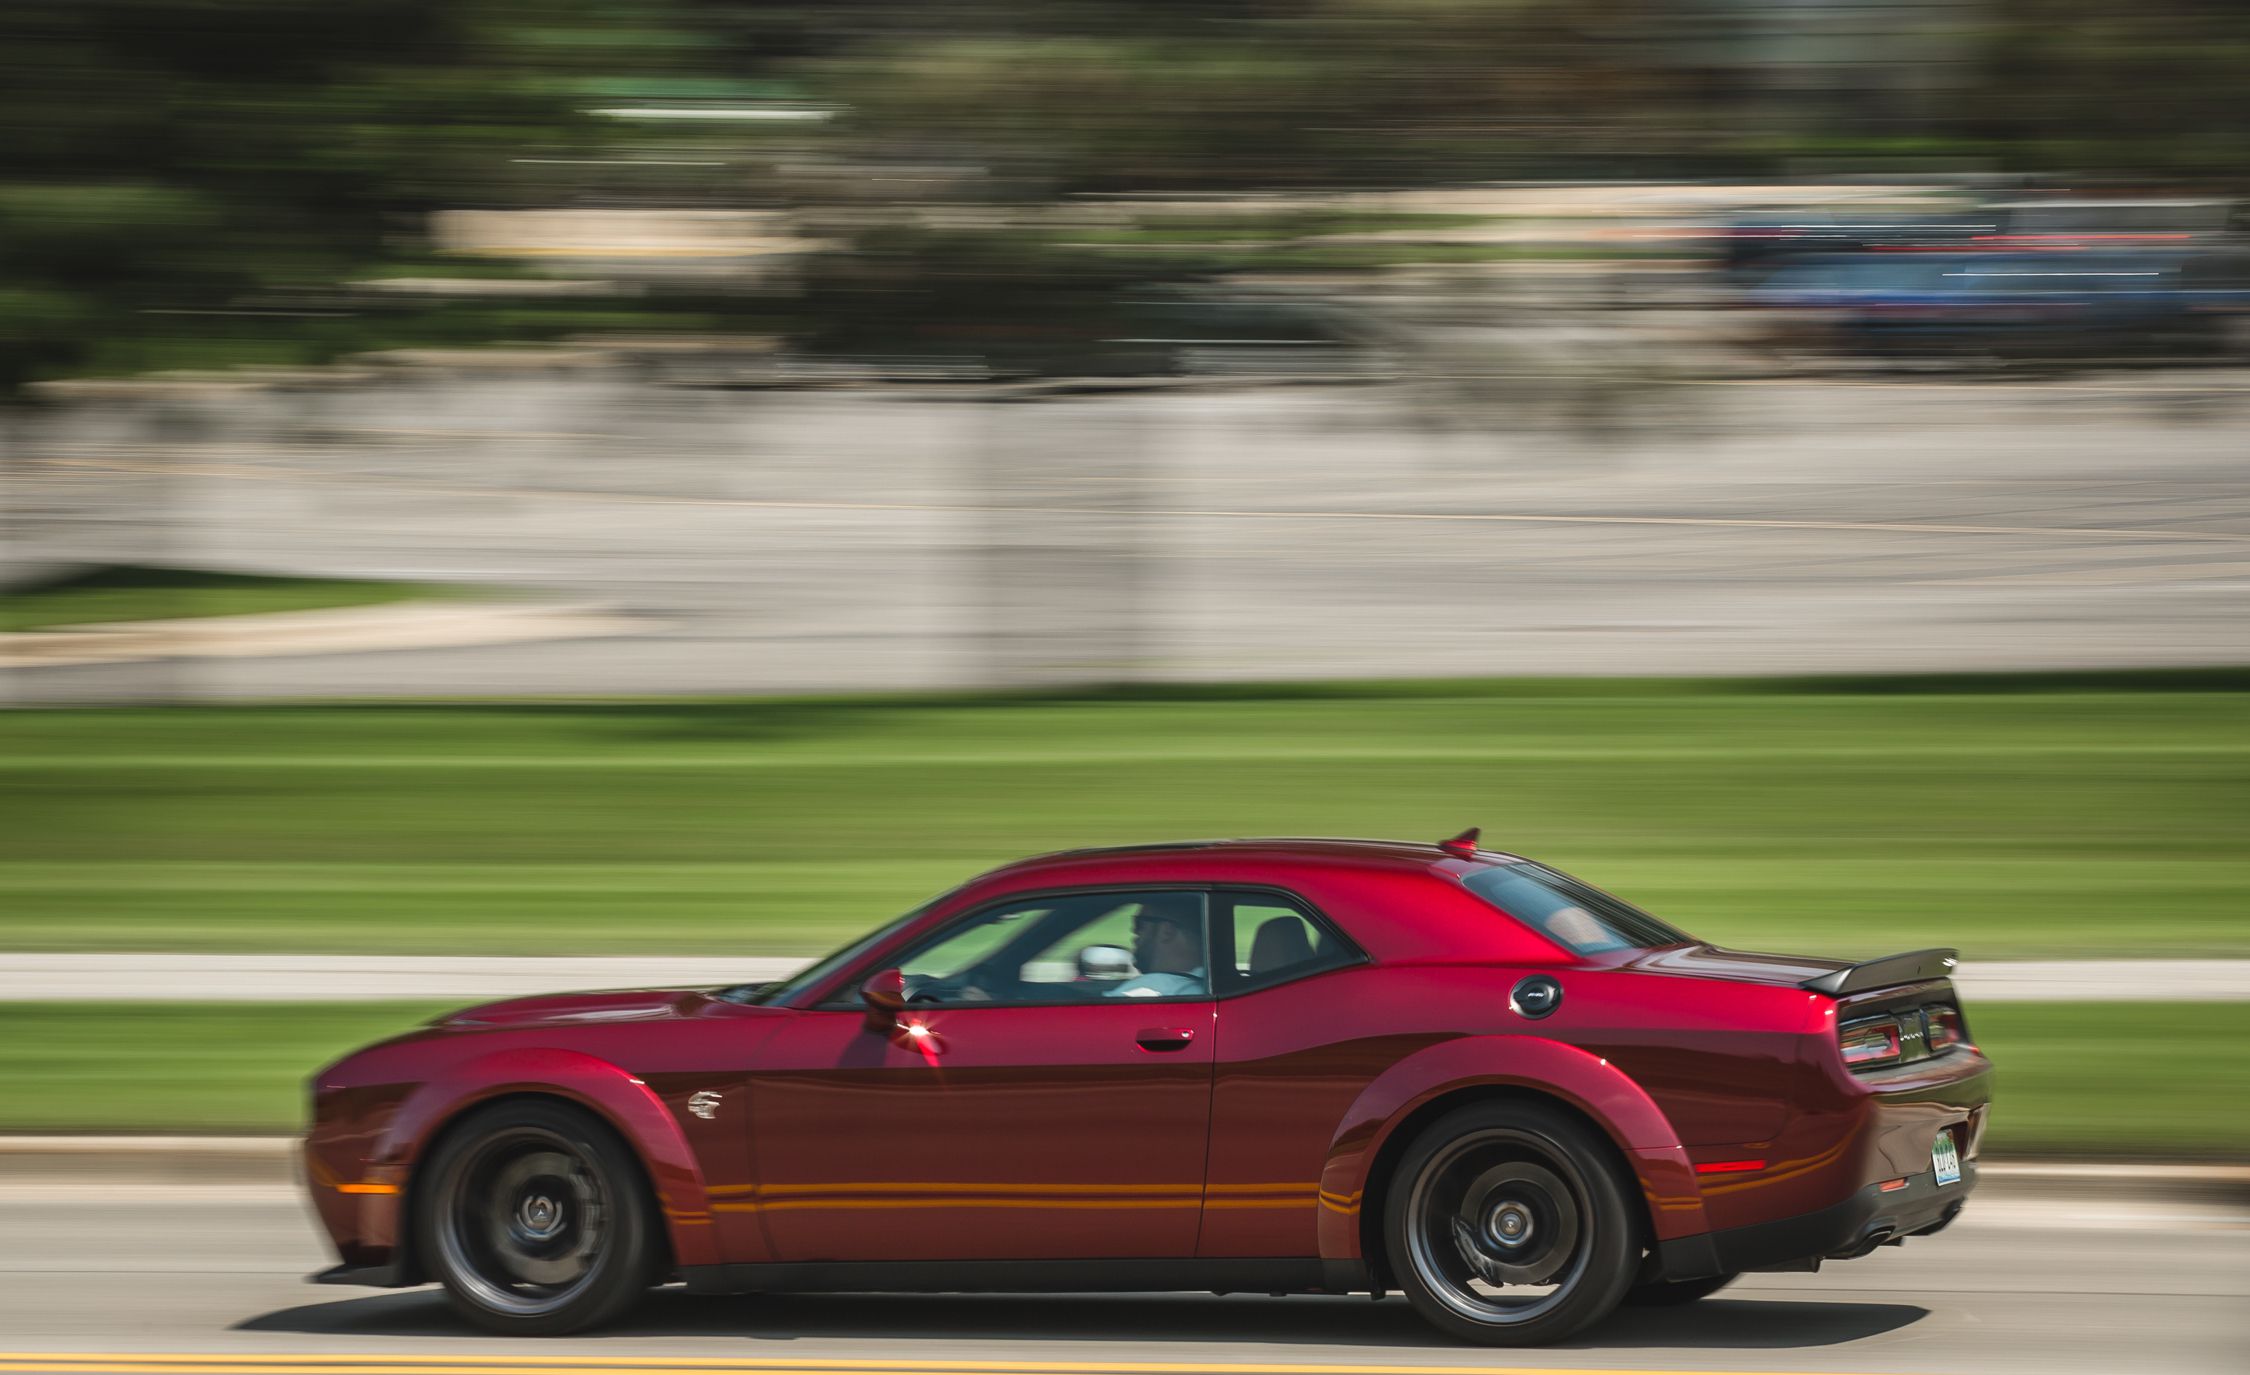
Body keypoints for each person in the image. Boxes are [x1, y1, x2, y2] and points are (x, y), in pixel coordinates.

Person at [1107, 896, 1207, 998]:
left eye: (1139, 924)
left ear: (1166, 931)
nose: (1134, 931)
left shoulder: (1146, 990)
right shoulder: (1205, 987)